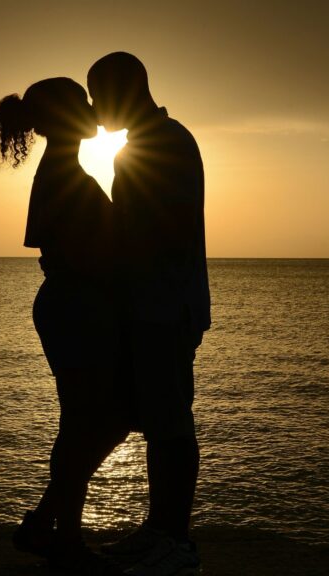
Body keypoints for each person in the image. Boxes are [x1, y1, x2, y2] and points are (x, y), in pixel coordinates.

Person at [0, 77, 129, 575]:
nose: (94, 108)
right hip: (76, 306)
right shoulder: (61, 174)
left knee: (100, 420)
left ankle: (48, 525)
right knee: (88, 423)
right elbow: (78, 254)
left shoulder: (63, 169)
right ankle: (60, 535)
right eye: (83, 102)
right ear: (65, 115)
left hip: (75, 304)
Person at [89, 52, 210, 576]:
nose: (93, 109)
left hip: (166, 304)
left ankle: (176, 544)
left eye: (98, 96)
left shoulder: (166, 143)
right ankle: (159, 530)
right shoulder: (141, 146)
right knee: (157, 421)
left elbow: (170, 228)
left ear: (124, 90)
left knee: (170, 423)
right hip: (150, 302)